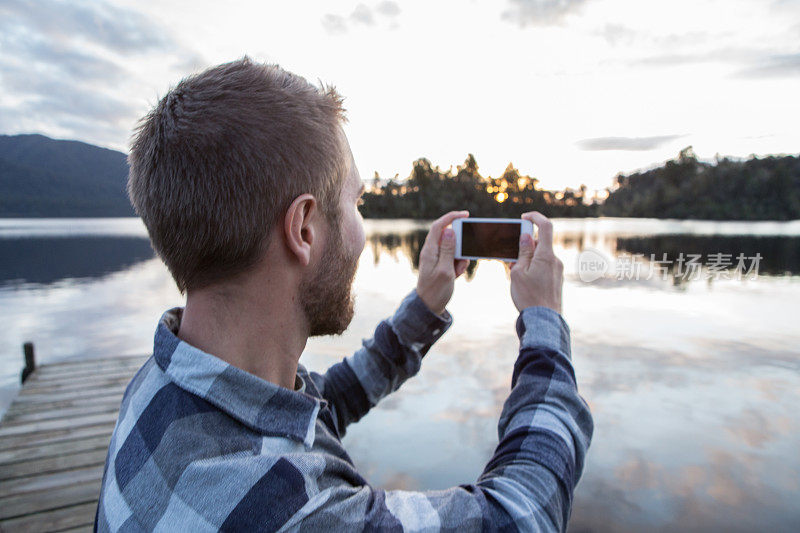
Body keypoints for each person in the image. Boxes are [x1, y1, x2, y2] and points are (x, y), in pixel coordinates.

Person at [94, 57, 593, 532]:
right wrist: (544, 320)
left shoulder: (162, 382)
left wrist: (424, 308)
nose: (363, 231)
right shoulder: (285, 509)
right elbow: (522, 517)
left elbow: (319, 409)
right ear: (304, 229)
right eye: (356, 202)